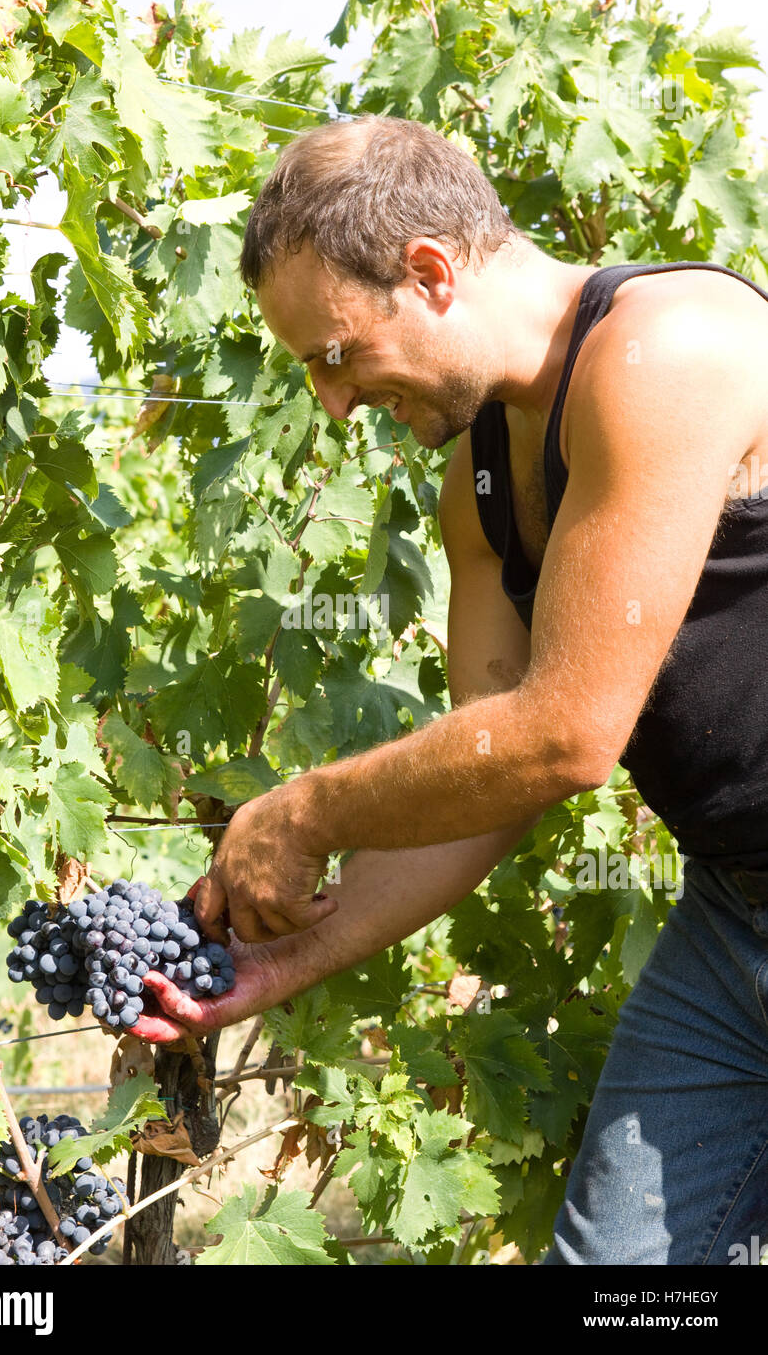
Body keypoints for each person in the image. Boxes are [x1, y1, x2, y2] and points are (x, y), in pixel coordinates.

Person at [134, 116, 768, 1265]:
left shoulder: (668, 348)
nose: (329, 402)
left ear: (429, 271)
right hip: (733, 917)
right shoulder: (479, 480)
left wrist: (305, 809)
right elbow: (496, 774)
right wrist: (279, 963)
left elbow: (564, 736)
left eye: (332, 354)